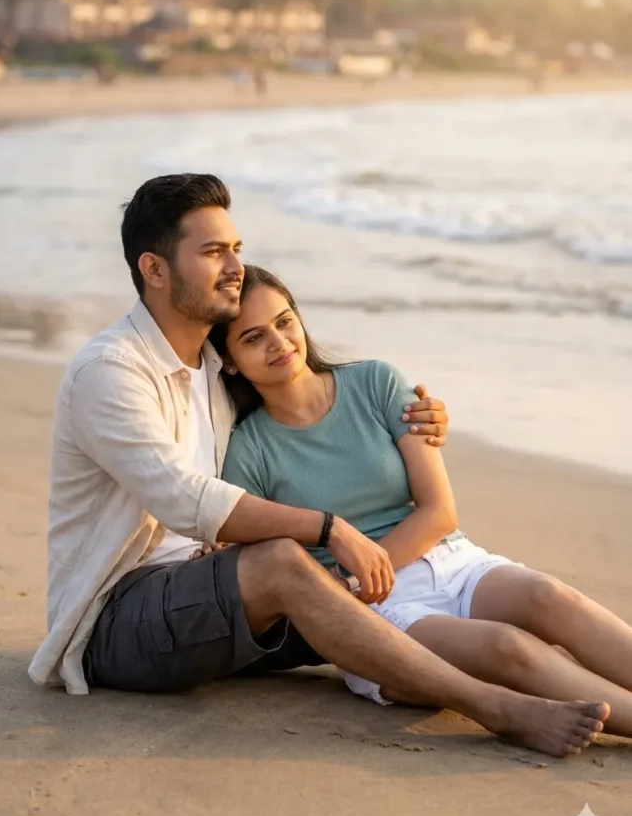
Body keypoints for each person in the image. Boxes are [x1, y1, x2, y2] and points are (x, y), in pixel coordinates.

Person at [28, 173, 608, 760]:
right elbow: (183, 499)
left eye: (236, 248)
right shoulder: (111, 371)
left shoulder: (218, 370)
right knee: (289, 562)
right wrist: (329, 529)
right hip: (120, 619)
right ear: (154, 269)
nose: (234, 266)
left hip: (221, 592)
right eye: (212, 252)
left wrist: (424, 418)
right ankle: (497, 706)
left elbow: (309, 412)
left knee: (530, 604)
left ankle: (420, 672)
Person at [214, 264, 632, 740]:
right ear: (230, 361)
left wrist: (361, 570)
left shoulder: (375, 383)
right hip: (367, 607)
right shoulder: (248, 450)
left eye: (284, 322)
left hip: (443, 557)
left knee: (551, 598)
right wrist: (346, 586)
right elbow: (252, 554)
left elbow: (439, 513)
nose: (279, 343)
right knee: (507, 647)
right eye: (253, 337)